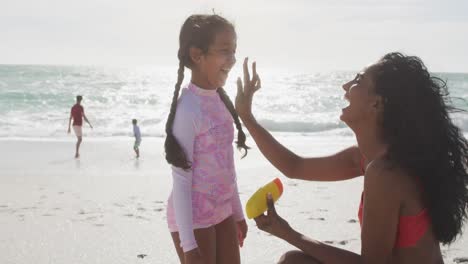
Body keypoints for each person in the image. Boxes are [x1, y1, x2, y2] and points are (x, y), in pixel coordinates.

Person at [235, 53, 468, 263]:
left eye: (358, 81)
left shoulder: (386, 173)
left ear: (377, 103)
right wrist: (247, 117)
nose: (345, 85)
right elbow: (294, 166)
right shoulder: (367, 158)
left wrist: (288, 233)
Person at [164, 14, 250, 264]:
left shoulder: (221, 101)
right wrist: (188, 245)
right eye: (225, 51)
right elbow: (181, 180)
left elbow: (226, 165)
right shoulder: (189, 108)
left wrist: (237, 211)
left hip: (223, 211)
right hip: (194, 217)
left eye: (234, 51)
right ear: (197, 55)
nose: (232, 60)